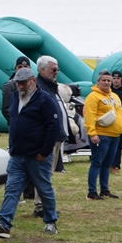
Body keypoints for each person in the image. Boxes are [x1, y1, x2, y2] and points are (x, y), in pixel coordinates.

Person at [0, 68, 60, 238]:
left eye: (24, 82)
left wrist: (44, 152)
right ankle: (4, 224)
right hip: (17, 155)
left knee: (44, 189)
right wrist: (13, 146)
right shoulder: (16, 97)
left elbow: (53, 127)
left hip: (37, 156)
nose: (21, 86)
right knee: (12, 189)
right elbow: (14, 121)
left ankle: (50, 221)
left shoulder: (45, 100)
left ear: (33, 81)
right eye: (18, 83)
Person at [33, 56, 70, 218]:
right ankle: (41, 206)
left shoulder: (51, 86)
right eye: (54, 70)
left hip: (55, 136)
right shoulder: (39, 87)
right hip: (47, 137)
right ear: (42, 70)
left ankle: (44, 205)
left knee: (48, 173)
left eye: (57, 70)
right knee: (44, 173)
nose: (56, 73)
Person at [84, 70, 122, 200]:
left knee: (107, 163)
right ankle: (92, 192)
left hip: (115, 135)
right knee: (97, 162)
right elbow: (89, 116)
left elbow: (120, 112)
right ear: (98, 81)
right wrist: (92, 133)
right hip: (101, 135)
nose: (107, 83)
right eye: (104, 80)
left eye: (109, 80)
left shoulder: (115, 97)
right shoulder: (93, 97)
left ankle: (104, 189)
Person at [1, 56, 31, 123]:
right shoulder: (9, 86)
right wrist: (17, 123)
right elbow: (6, 110)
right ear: (15, 69)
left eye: (25, 66)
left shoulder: (35, 85)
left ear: (30, 69)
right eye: (20, 67)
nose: (22, 69)